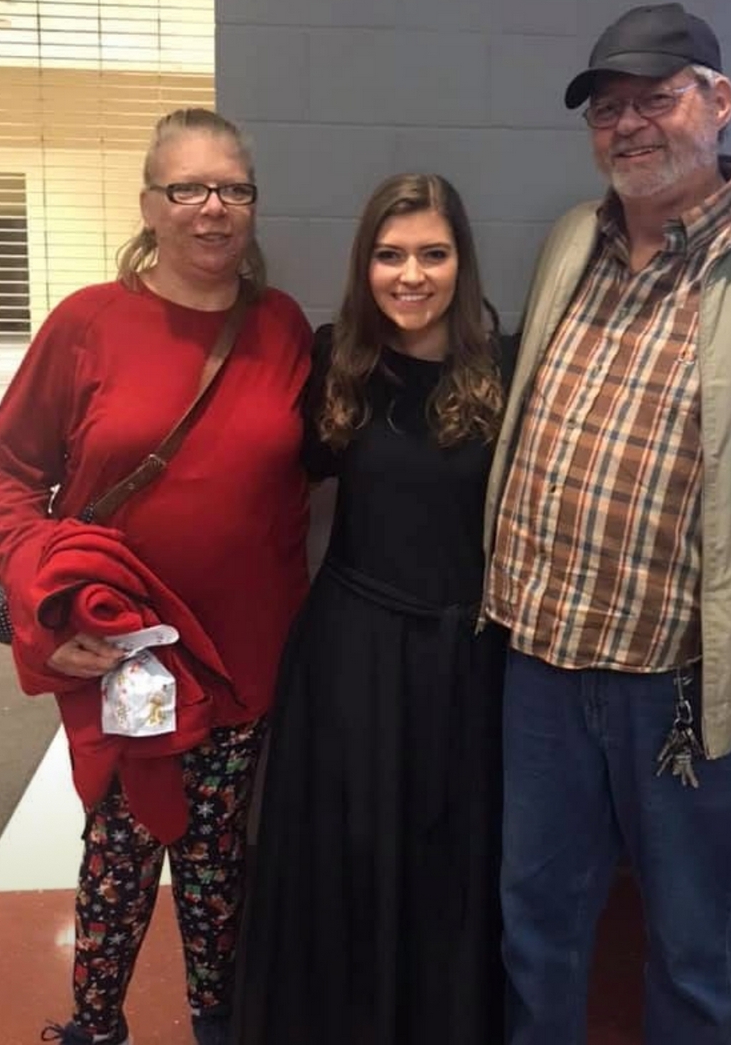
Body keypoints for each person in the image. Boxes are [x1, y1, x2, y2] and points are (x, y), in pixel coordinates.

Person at [481, 1, 731, 1045]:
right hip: (543, 667)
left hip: (692, 692)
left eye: (654, 99)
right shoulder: (575, 240)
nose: (628, 126)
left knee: (694, 948)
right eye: (606, 109)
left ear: (719, 101)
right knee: (535, 924)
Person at [0, 108, 313, 1045]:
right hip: (122, 652)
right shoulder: (88, 323)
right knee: (120, 847)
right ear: (150, 204)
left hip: (241, 654)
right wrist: (45, 603)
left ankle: (218, 1024)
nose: (213, 208)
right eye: (188, 188)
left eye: (234, 188)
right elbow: (5, 473)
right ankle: (95, 1025)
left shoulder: (281, 326)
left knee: (215, 857)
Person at [231, 173, 515, 1045]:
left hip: (465, 658)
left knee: (450, 864)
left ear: (462, 262)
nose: (411, 275)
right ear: (365, 264)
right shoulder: (337, 361)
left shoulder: (506, 369)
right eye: (390, 256)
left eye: (433, 254)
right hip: (351, 655)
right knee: (346, 859)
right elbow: (254, 467)